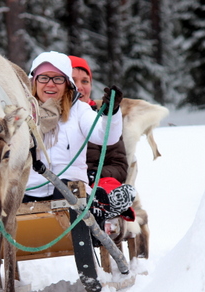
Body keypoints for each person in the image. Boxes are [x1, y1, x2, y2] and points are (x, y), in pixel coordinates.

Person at [23, 51, 135, 224]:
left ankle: (97, 217)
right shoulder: (22, 114)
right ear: (34, 81)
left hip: (71, 189)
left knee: (68, 192)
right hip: (30, 188)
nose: (50, 84)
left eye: (58, 79)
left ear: (67, 83)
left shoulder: (79, 110)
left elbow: (105, 137)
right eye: (44, 78)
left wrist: (110, 114)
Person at [69, 55, 136, 237]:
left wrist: (93, 175)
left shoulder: (104, 120)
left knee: (106, 188)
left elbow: (119, 166)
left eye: (85, 81)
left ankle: (107, 210)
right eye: (73, 80)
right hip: (64, 185)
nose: (80, 86)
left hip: (96, 182)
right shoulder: (51, 119)